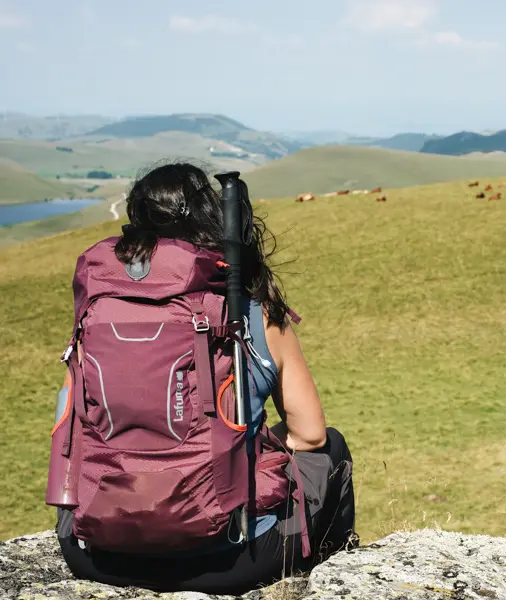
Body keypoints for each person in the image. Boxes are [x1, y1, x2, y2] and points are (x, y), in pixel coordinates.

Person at [50, 162, 357, 595]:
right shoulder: (253, 311)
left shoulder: (98, 309)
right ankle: (336, 578)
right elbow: (308, 437)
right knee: (333, 447)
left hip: (97, 553)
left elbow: (69, 421)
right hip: (230, 559)